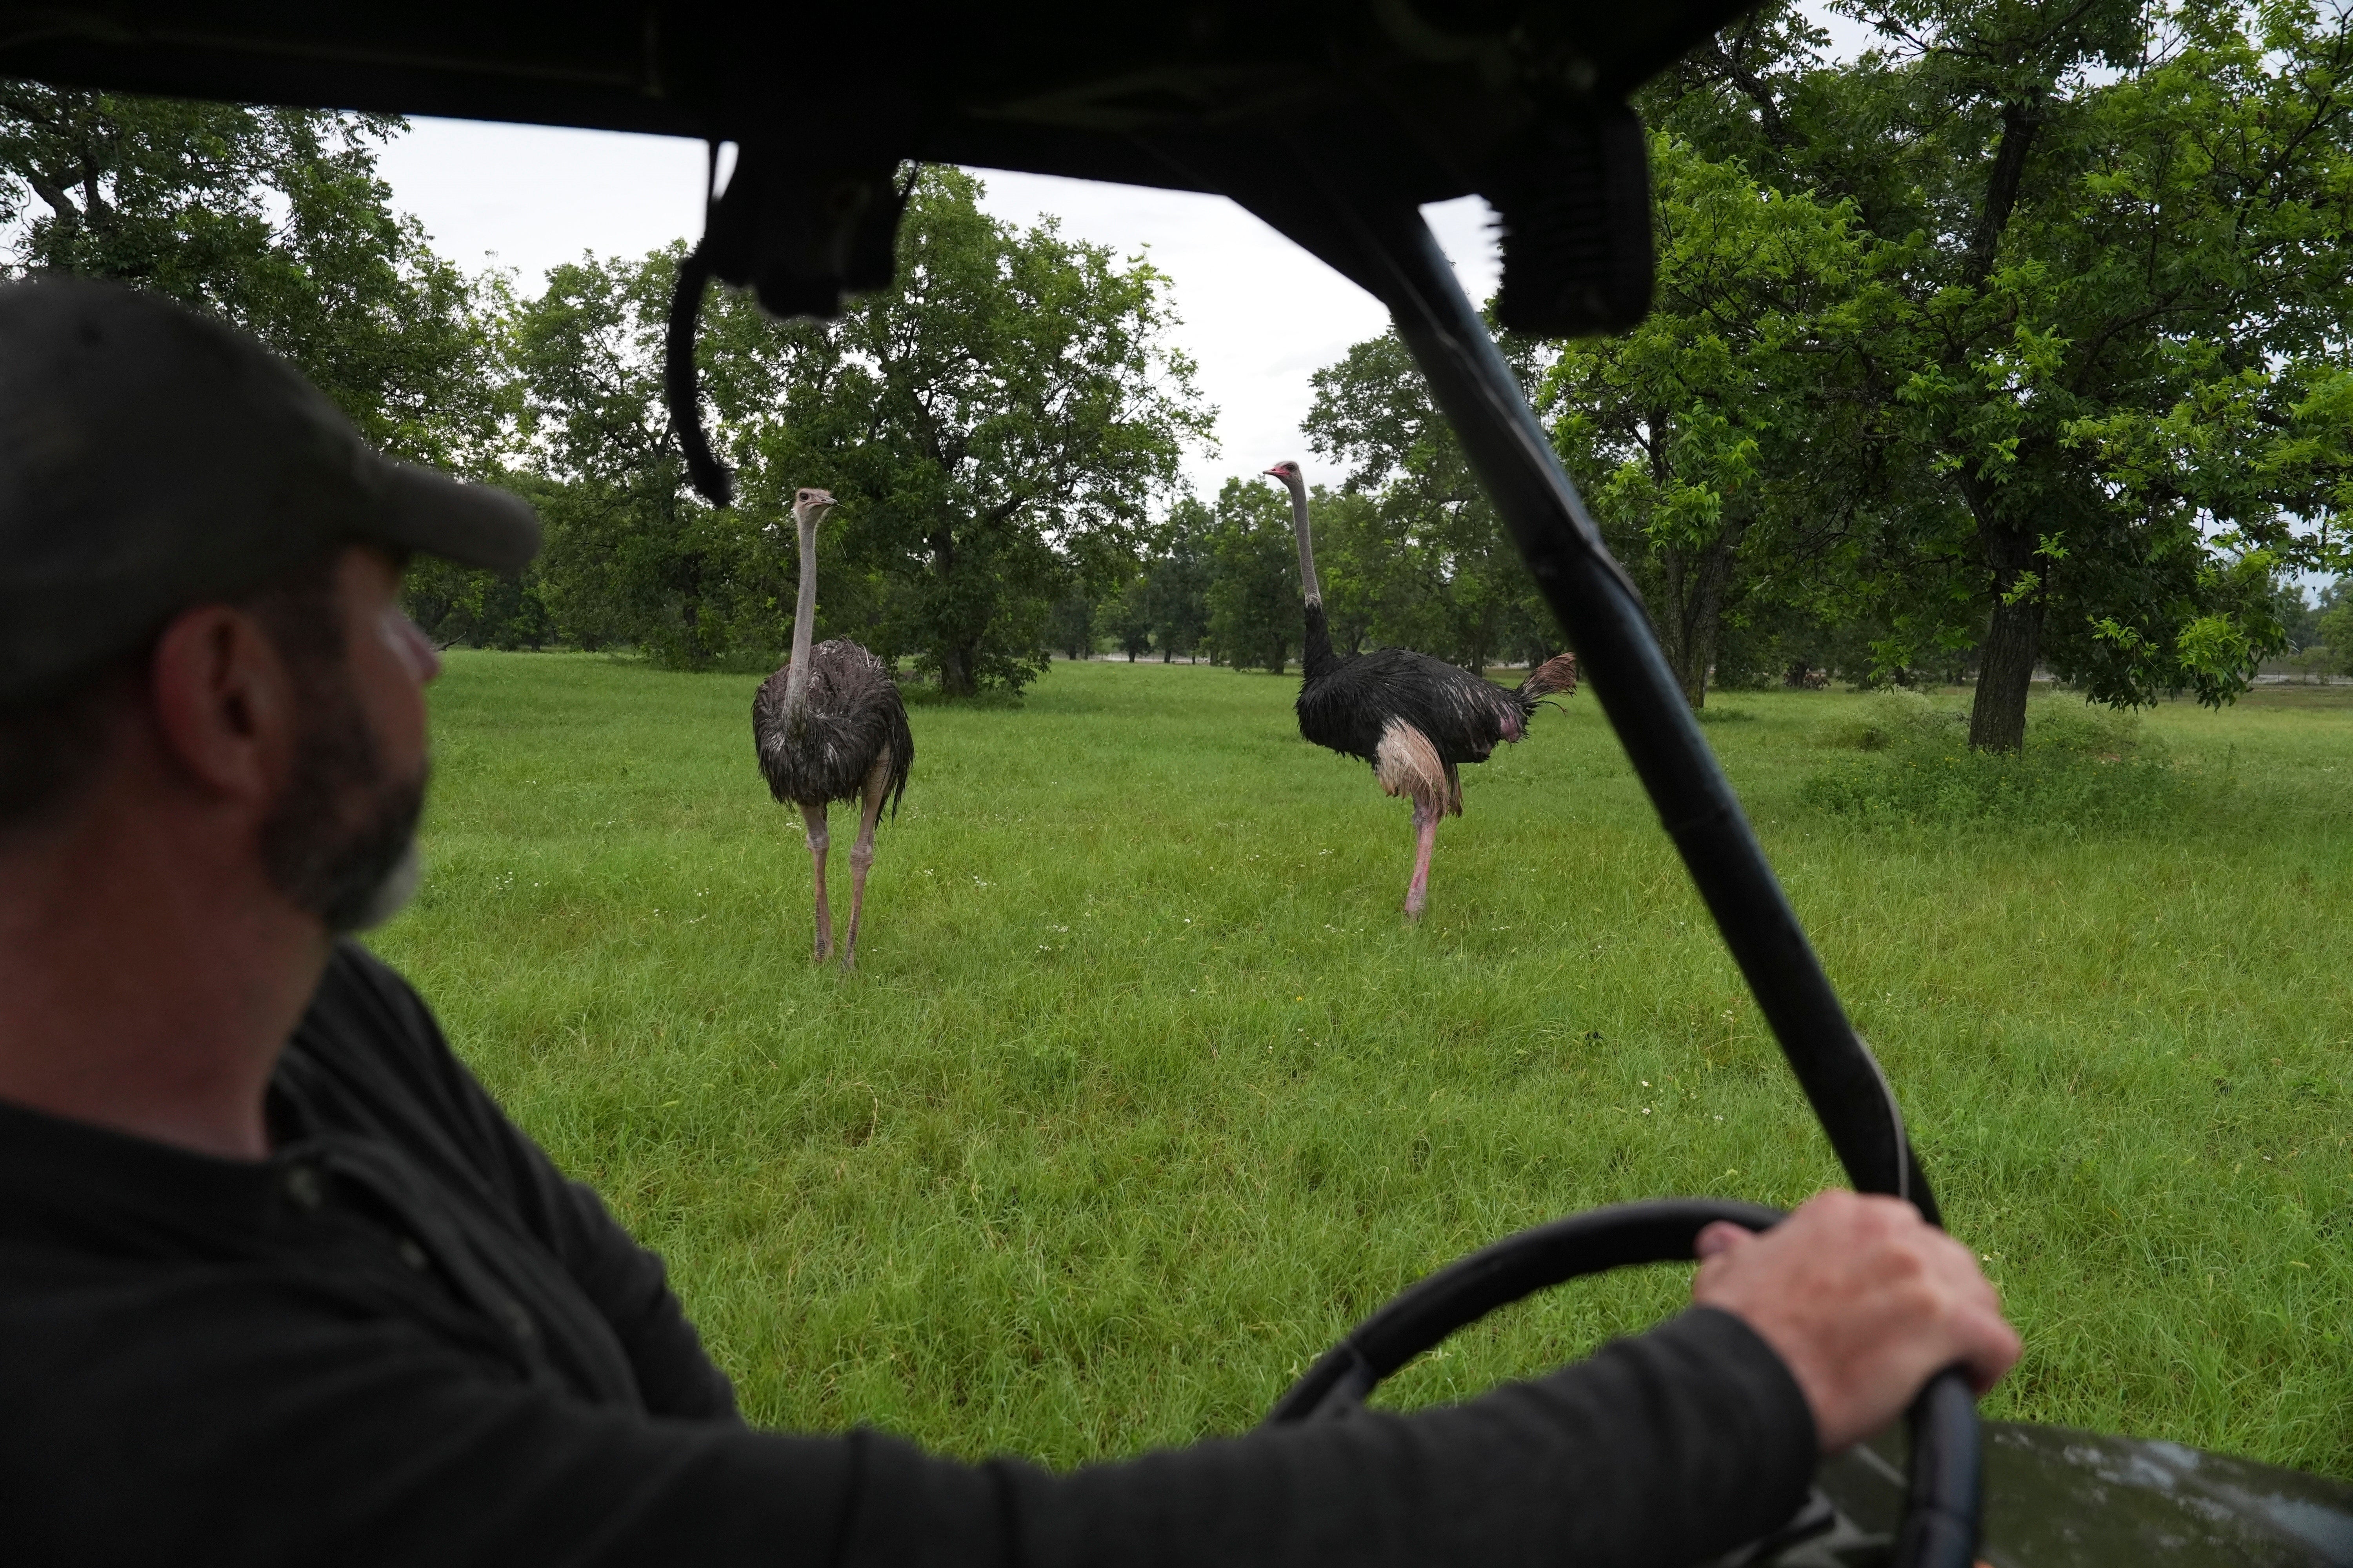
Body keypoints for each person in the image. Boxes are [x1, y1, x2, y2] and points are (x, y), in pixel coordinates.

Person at [0, 275, 2019, 1566]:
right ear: (228, 697)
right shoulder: (141, 1410)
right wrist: (1735, 1386)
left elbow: (647, 1369)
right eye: (383, 613)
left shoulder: (328, 1035)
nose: (428, 668)